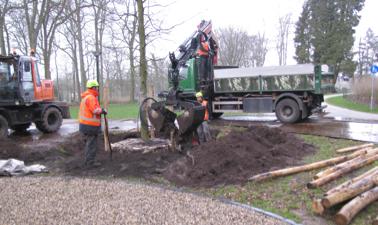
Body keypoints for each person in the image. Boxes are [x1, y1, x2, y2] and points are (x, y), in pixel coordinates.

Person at [79, 80, 107, 167]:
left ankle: (88, 161)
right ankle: (90, 163)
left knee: (89, 143)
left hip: (85, 125)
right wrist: (103, 111)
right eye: (97, 87)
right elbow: (95, 110)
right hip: (90, 126)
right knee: (92, 144)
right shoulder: (91, 98)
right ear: (94, 88)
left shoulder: (86, 97)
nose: (98, 89)